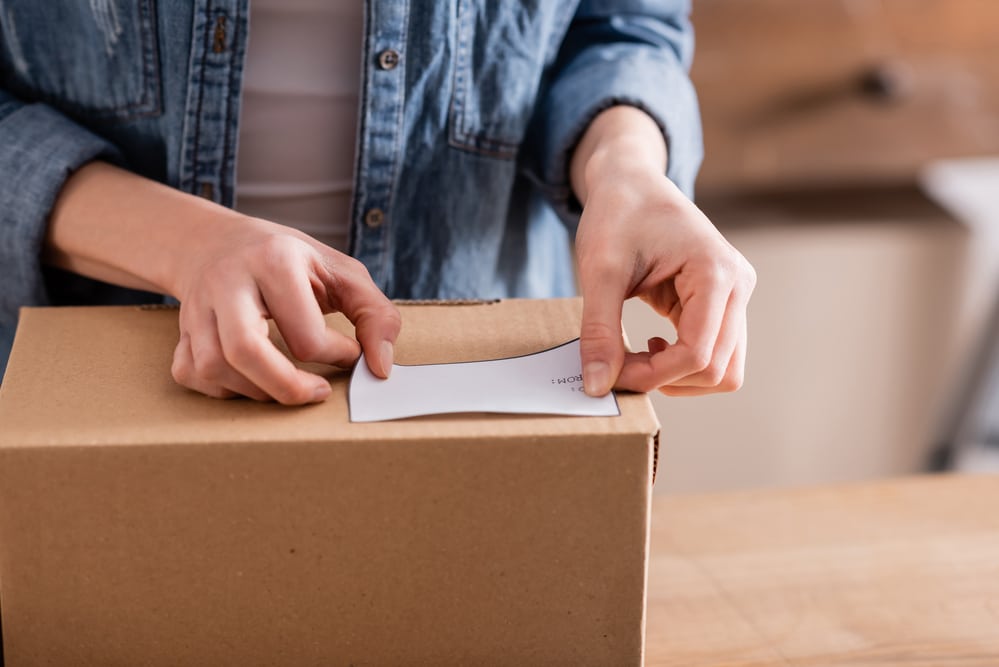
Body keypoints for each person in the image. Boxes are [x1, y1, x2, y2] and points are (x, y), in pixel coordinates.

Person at [0, 0, 755, 404]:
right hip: (90, 378)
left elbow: (618, 27)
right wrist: (183, 245)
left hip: (479, 378)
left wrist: (625, 167)